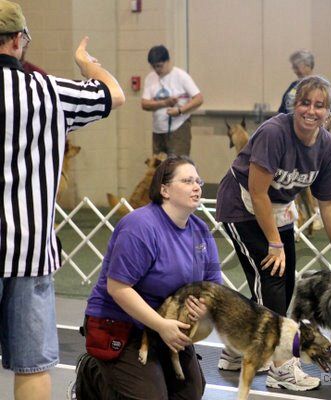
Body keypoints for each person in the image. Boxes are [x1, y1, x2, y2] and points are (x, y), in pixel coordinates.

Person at [0, 1, 125, 399]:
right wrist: (86, 63)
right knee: (32, 365)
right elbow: (114, 95)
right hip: (30, 251)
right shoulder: (49, 90)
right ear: (19, 41)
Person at [216, 75, 331, 392]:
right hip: (243, 205)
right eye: (305, 103)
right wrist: (274, 243)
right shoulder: (275, 132)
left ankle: (237, 350)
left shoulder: (327, 147)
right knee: (271, 283)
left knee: (286, 283)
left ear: (328, 112)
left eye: (319, 106)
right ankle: (282, 368)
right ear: (294, 105)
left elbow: (328, 203)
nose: (311, 111)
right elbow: (258, 191)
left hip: (277, 209)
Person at [73, 155, 222, 399]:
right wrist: (161, 325)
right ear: (164, 189)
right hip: (122, 323)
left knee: (192, 392)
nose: (197, 187)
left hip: (169, 325)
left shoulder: (200, 230)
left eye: (198, 181)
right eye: (187, 181)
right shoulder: (139, 227)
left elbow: (214, 283)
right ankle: (93, 375)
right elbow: (118, 287)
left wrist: (205, 307)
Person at [141, 45, 204, 157]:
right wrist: (164, 103)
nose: (157, 70)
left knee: (177, 167)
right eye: (154, 67)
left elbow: (199, 98)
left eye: (159, 66)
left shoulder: (181, 76)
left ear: (168, 61)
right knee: (158, 169)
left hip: (178, 128)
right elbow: (144, 104)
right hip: (158, 130)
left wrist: (180, 110)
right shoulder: (150, 78)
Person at [277, 49, 314, 114]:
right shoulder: (294, 85)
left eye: (296, 67)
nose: (295, 71)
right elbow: (282, 109)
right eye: (294, 68)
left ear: (308, 66)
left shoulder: (319, 86)